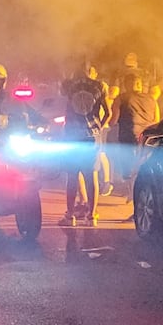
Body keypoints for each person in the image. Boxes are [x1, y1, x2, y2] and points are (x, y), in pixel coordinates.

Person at [57, 71, 110, 227]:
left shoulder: (68, 85)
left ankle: (70, 216)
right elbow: (108, 112)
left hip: (72, 136)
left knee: (72, 176)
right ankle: (92, 216)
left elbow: (61, 100)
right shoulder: (100, 86)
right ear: (91, 71)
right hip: (91, 137)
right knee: (91, 175)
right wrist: (98, 127)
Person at [109, 74, 158, 204]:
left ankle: (135, 200)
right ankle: (142, 202)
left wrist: (105, 125)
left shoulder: (121, 98)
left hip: (129, 137)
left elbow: (113, 120)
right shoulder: (152, 99)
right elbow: (157, 120)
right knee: (143, 169)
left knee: (130, 170)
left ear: (126, 84)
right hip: (148, 138)